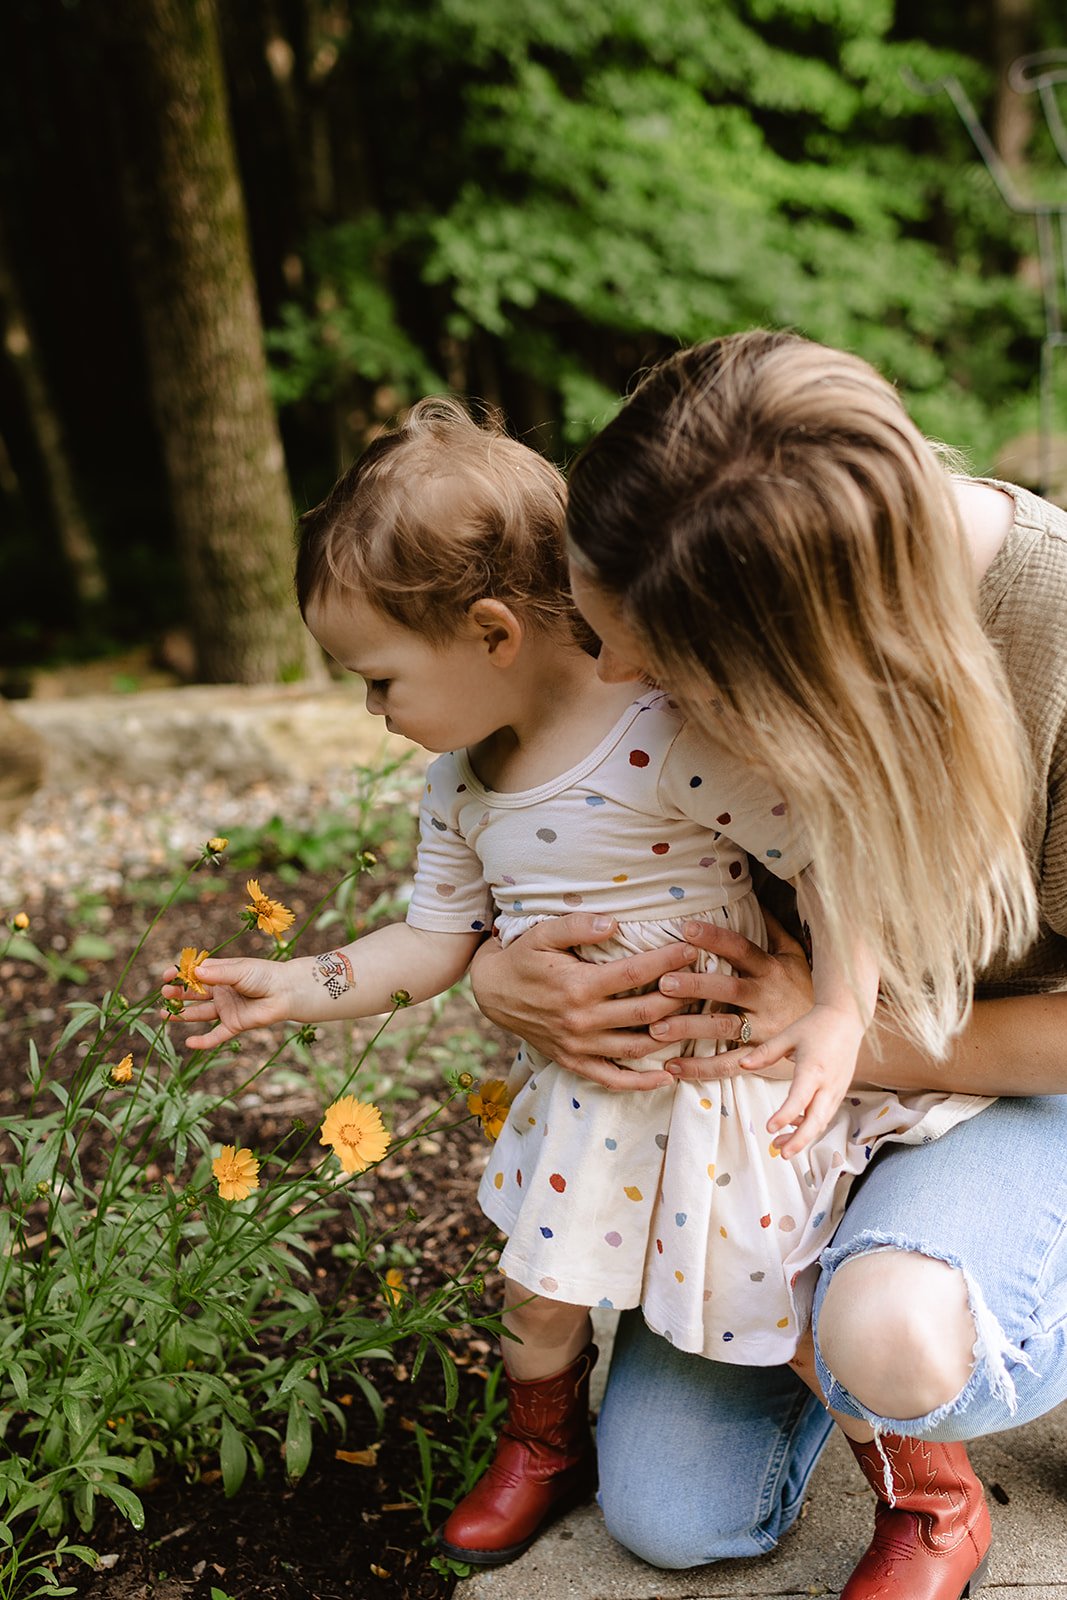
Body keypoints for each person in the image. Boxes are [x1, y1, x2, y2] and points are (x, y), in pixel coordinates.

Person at [160, 394, 1001, 1575]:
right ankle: (542, 1444)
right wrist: (303, 982)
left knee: (786, 1300)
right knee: (537, 1294)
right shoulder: (461, 787)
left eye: (380, 678)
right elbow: (431, 940)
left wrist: (835, 1012)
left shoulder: (664, 732)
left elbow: (832, 847)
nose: (373, 710)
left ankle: (926, 1501)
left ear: (492, 632)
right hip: (595, 1102)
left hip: (720, 1088)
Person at [469, 328, 1066, 1599]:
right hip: (782, 1102)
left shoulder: (1053, 642)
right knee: (673, 1510)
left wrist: (841, 1032)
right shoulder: (717, 502)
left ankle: (961, 1304)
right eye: (593, 626)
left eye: (653, 658)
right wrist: (494, 973)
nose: (610, 677)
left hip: (1015, 1082)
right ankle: (848, 1281)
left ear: (807, 662)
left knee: (892, 1337)